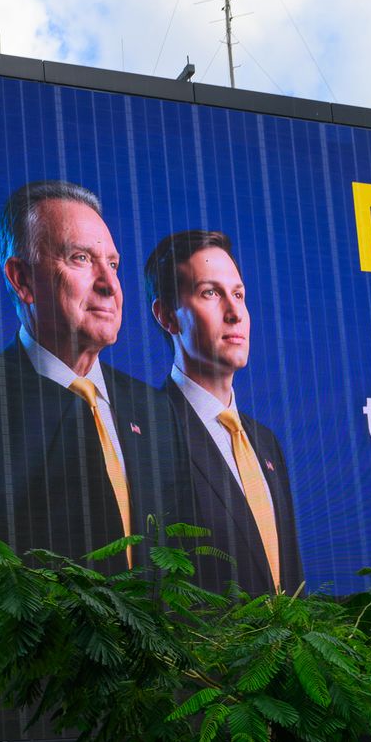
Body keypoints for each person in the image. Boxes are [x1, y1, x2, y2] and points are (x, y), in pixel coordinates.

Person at [0, 180, 179, 561]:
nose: (110, 285)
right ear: (22, 278)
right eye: (81, 258)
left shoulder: (156, 412)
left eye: (113, 264)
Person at [146, 230, 303, 595]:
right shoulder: (149, 433)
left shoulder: (265, 443)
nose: (234, 313)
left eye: (238, 294)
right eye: (210, 293)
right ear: (167, 316)